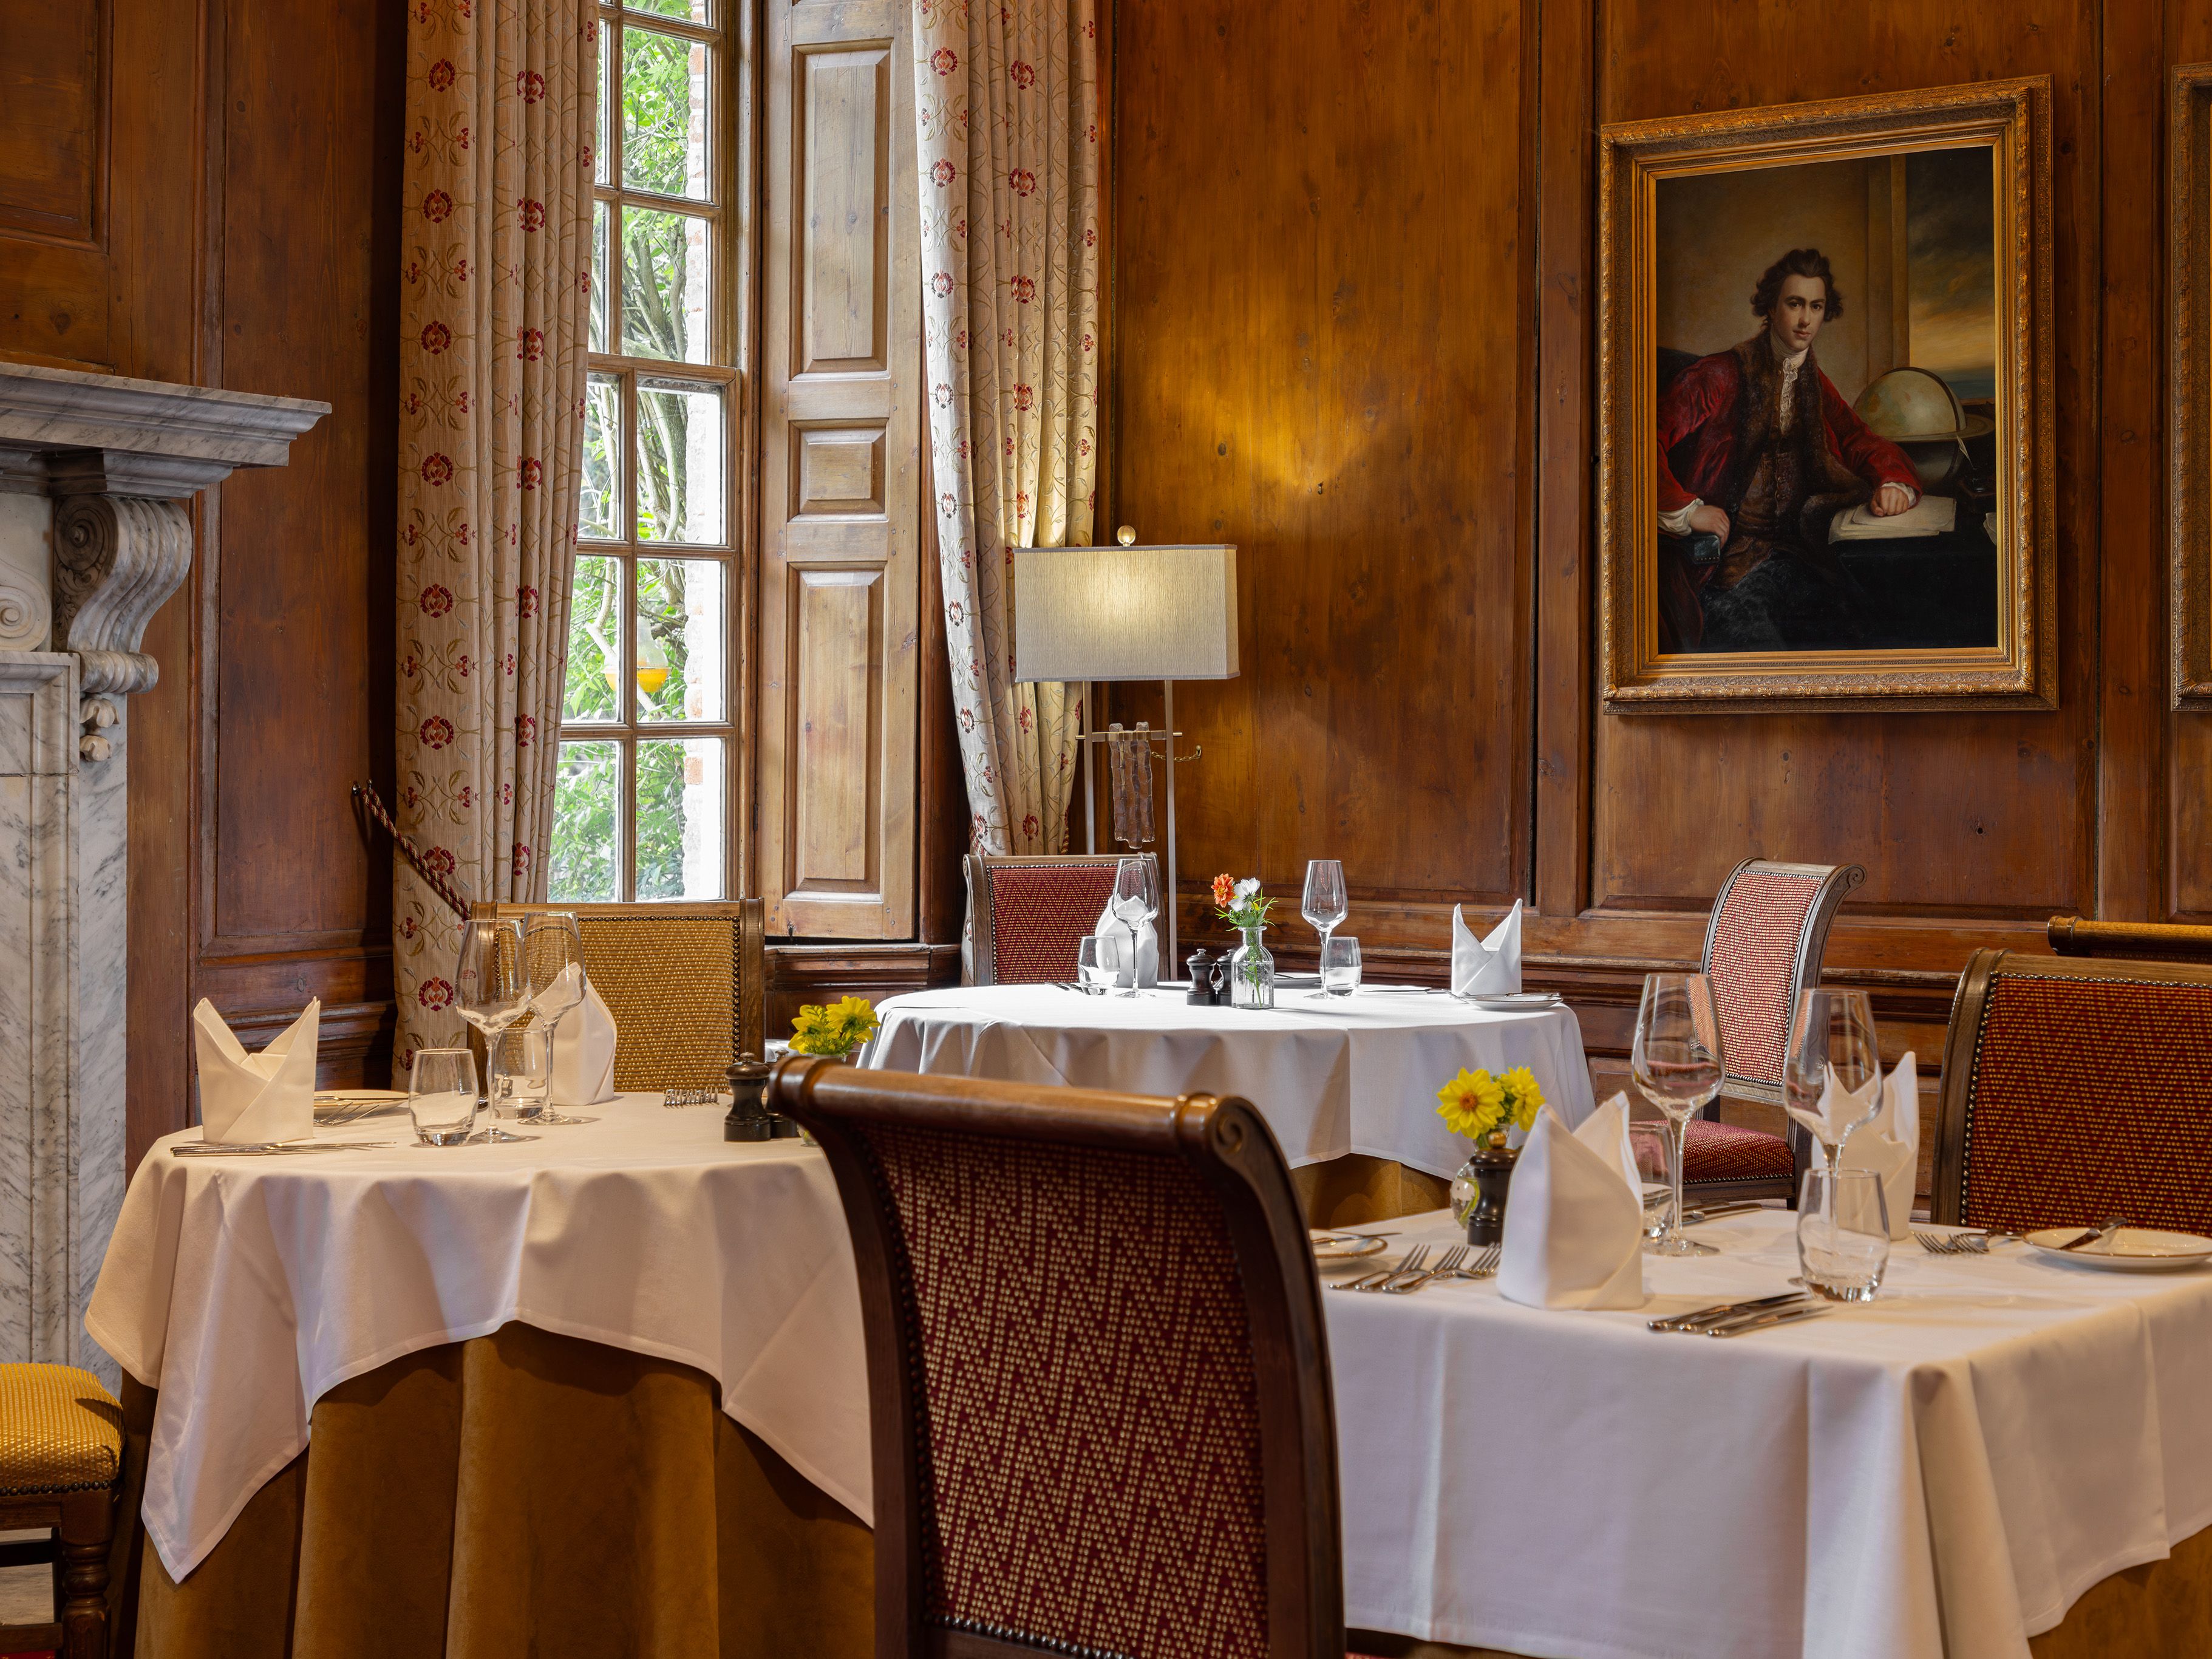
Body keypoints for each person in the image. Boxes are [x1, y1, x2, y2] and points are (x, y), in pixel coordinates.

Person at [1655, 248, 1922, 651]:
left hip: (1793, 553)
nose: (1805, 320)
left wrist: (1892, 483)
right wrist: (1689, 510)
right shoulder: (1717, 376)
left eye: (1815, 306)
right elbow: (1636, 443)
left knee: (1866, 632)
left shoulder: (1812, 379)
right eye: (1794, 304)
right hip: (1724, 567)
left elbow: (1855, 438)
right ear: (1770, 307)